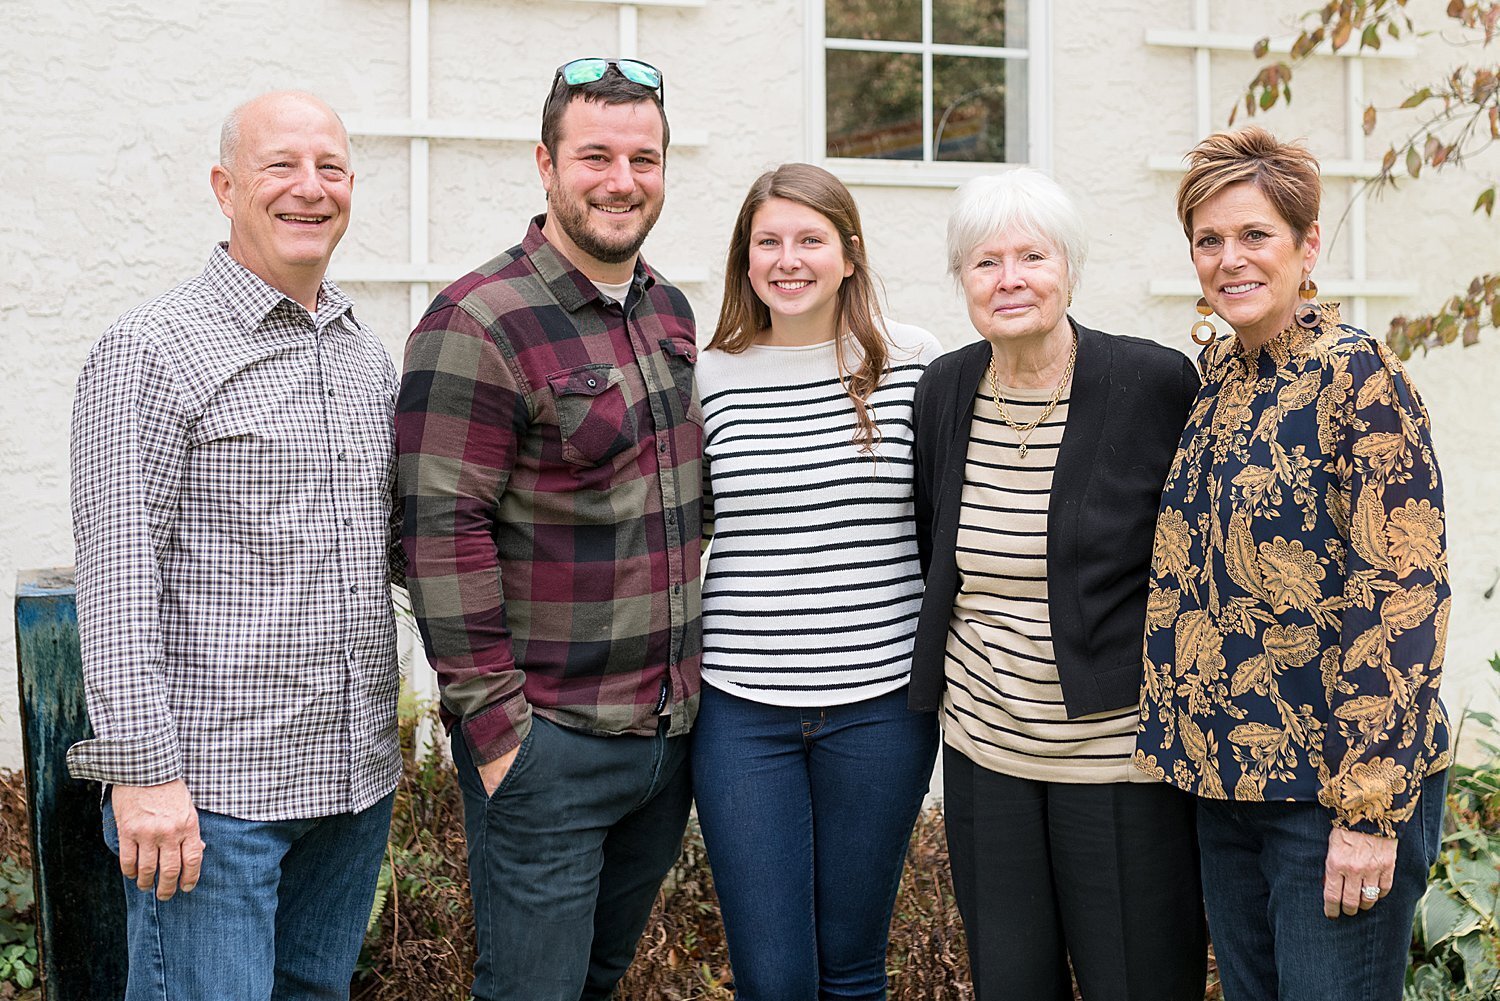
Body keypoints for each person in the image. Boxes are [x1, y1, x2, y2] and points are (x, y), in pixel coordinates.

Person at [66, 91, 401, 1001]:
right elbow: (117, 574)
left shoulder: (363, 355)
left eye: (330, 167)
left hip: (351, 784)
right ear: (224, 187)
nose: (310, 188)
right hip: (212, 804)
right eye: (280, 166)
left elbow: (391, 548)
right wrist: (142, 778)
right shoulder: (151, 349)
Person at [396, 58, 700, 1001]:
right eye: (595, 155)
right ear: (546, 163)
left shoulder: (669, 311)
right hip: (549, 744)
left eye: (642, 157)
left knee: (597, 984)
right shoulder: (478, 321)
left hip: (665, 738)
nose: (621, 179)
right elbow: (439, 539)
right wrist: (498, 733)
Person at [1134, 126, 1450, 1001]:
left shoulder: (1359, 379)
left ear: (1308, 246)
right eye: (1209, 240)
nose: (1229, 259)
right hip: (1229, 784)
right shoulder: (1219, 382)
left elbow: (1403, 590)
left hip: (1335, 797)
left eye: (1254, 235)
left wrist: (1368, 812)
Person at [909, 169, 1207, 1001]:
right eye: (984, 262)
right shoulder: (944, 390)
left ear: (1069, 268)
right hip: (984, 760)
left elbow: (1197, 559)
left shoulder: (1153, 383)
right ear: (962, 281)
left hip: (1120, 770)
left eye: (1031, 256)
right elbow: (942, 549)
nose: (1009, 279)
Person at [691, 163, 942, 1000]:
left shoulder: (911, 362)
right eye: (769, 241)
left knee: (852, 966)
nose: (787, 259)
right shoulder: (711, 374)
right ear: (745, 255)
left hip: (879, 708)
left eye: (809, 239)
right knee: (773, 977)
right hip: (741, 710)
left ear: (848, 253)